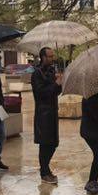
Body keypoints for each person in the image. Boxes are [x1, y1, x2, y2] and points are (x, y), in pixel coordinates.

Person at [30, 48, 62, 184]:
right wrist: (55, 84)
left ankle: (45, 168)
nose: (51, 59)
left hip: (53, 112)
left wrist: (59, 83)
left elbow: (55, 92)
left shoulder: (50, 71)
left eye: (52, 56)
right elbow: (40, 93)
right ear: (42, 57)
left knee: (53, 143)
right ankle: (44, 172)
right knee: (45, 144)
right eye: (49, 56)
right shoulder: (37, 74)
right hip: (43, 113)